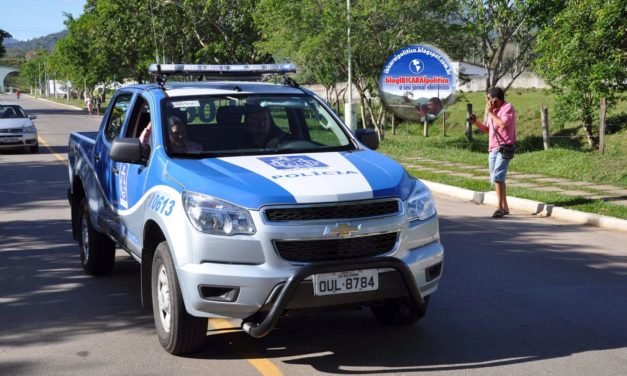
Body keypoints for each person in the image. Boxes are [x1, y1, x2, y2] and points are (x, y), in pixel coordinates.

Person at [469, 87, 516, 218]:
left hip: (505, 146)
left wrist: (491, 113)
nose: (487, 102)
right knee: (496, 178)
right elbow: (488, 129)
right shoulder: (491, 111)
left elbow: (502, 124)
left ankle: (499, 207)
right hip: (493, 147)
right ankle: (505, 207)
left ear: (496, 99)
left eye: (489, 99)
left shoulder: (508, 108)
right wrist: (475, 122)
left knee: (498, 177)